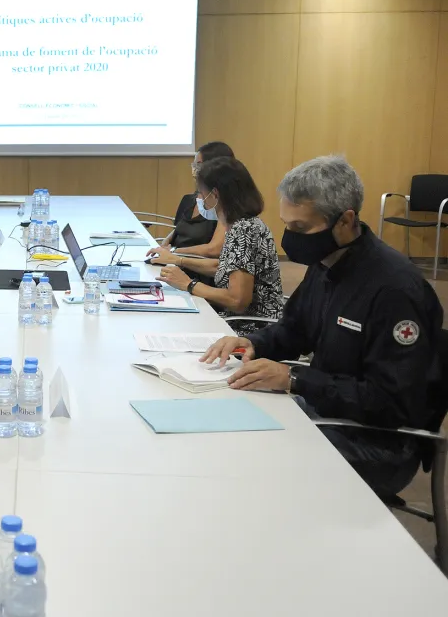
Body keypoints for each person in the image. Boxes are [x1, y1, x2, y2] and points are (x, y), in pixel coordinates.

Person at [203, 156, 444, 498]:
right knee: (224, 421)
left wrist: (297, 379)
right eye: (287, 224)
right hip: (327, 411)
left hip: (377, 443)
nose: (290, 237)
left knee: (249, 458)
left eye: (301, 228)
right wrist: (251, 343)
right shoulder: (327, 261)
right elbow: (294, 330)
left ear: (345, 221)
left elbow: (391, 402)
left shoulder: (394, 291)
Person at [150, 157, 284, 334]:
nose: (199, 200)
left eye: (201, 193)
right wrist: (178, 261)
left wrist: (188, 284)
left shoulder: (243, 230)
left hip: (249, 330)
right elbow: (223, 267)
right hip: (236, 322)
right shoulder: (243, 224)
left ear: (215, 195)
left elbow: (237, 301)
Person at [153, 140, 235, 256]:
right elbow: (178, 230)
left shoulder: (224, 205)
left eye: (199, 164)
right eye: (194, 164)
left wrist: (174, 253)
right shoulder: (189, 200)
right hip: (175, 262)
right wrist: (164, 247)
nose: (194, 169)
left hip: (195, 268)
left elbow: (215, 249)